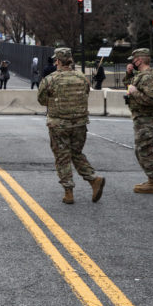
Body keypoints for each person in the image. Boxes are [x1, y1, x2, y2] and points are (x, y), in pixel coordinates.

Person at [37, 47, 105, 205]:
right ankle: (93, 180)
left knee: (62, 157)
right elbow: (87, 93)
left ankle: (68, 192)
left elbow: (41, 100)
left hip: (59, 124)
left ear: (58, 61)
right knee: (76, 154)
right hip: (80, 123)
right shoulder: (82, 78)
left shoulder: (50, 79)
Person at [124, 48, 153, 194]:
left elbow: (152, 99)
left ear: (139, 60)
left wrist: (135, 92)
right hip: (140, 118)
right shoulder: (141, 75)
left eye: (133, 60)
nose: (132, 62)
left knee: (145, 150)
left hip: (146, 118)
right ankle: (151, 180)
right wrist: (128, 75)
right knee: (140, 150)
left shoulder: (147, 77)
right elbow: (129, 86)